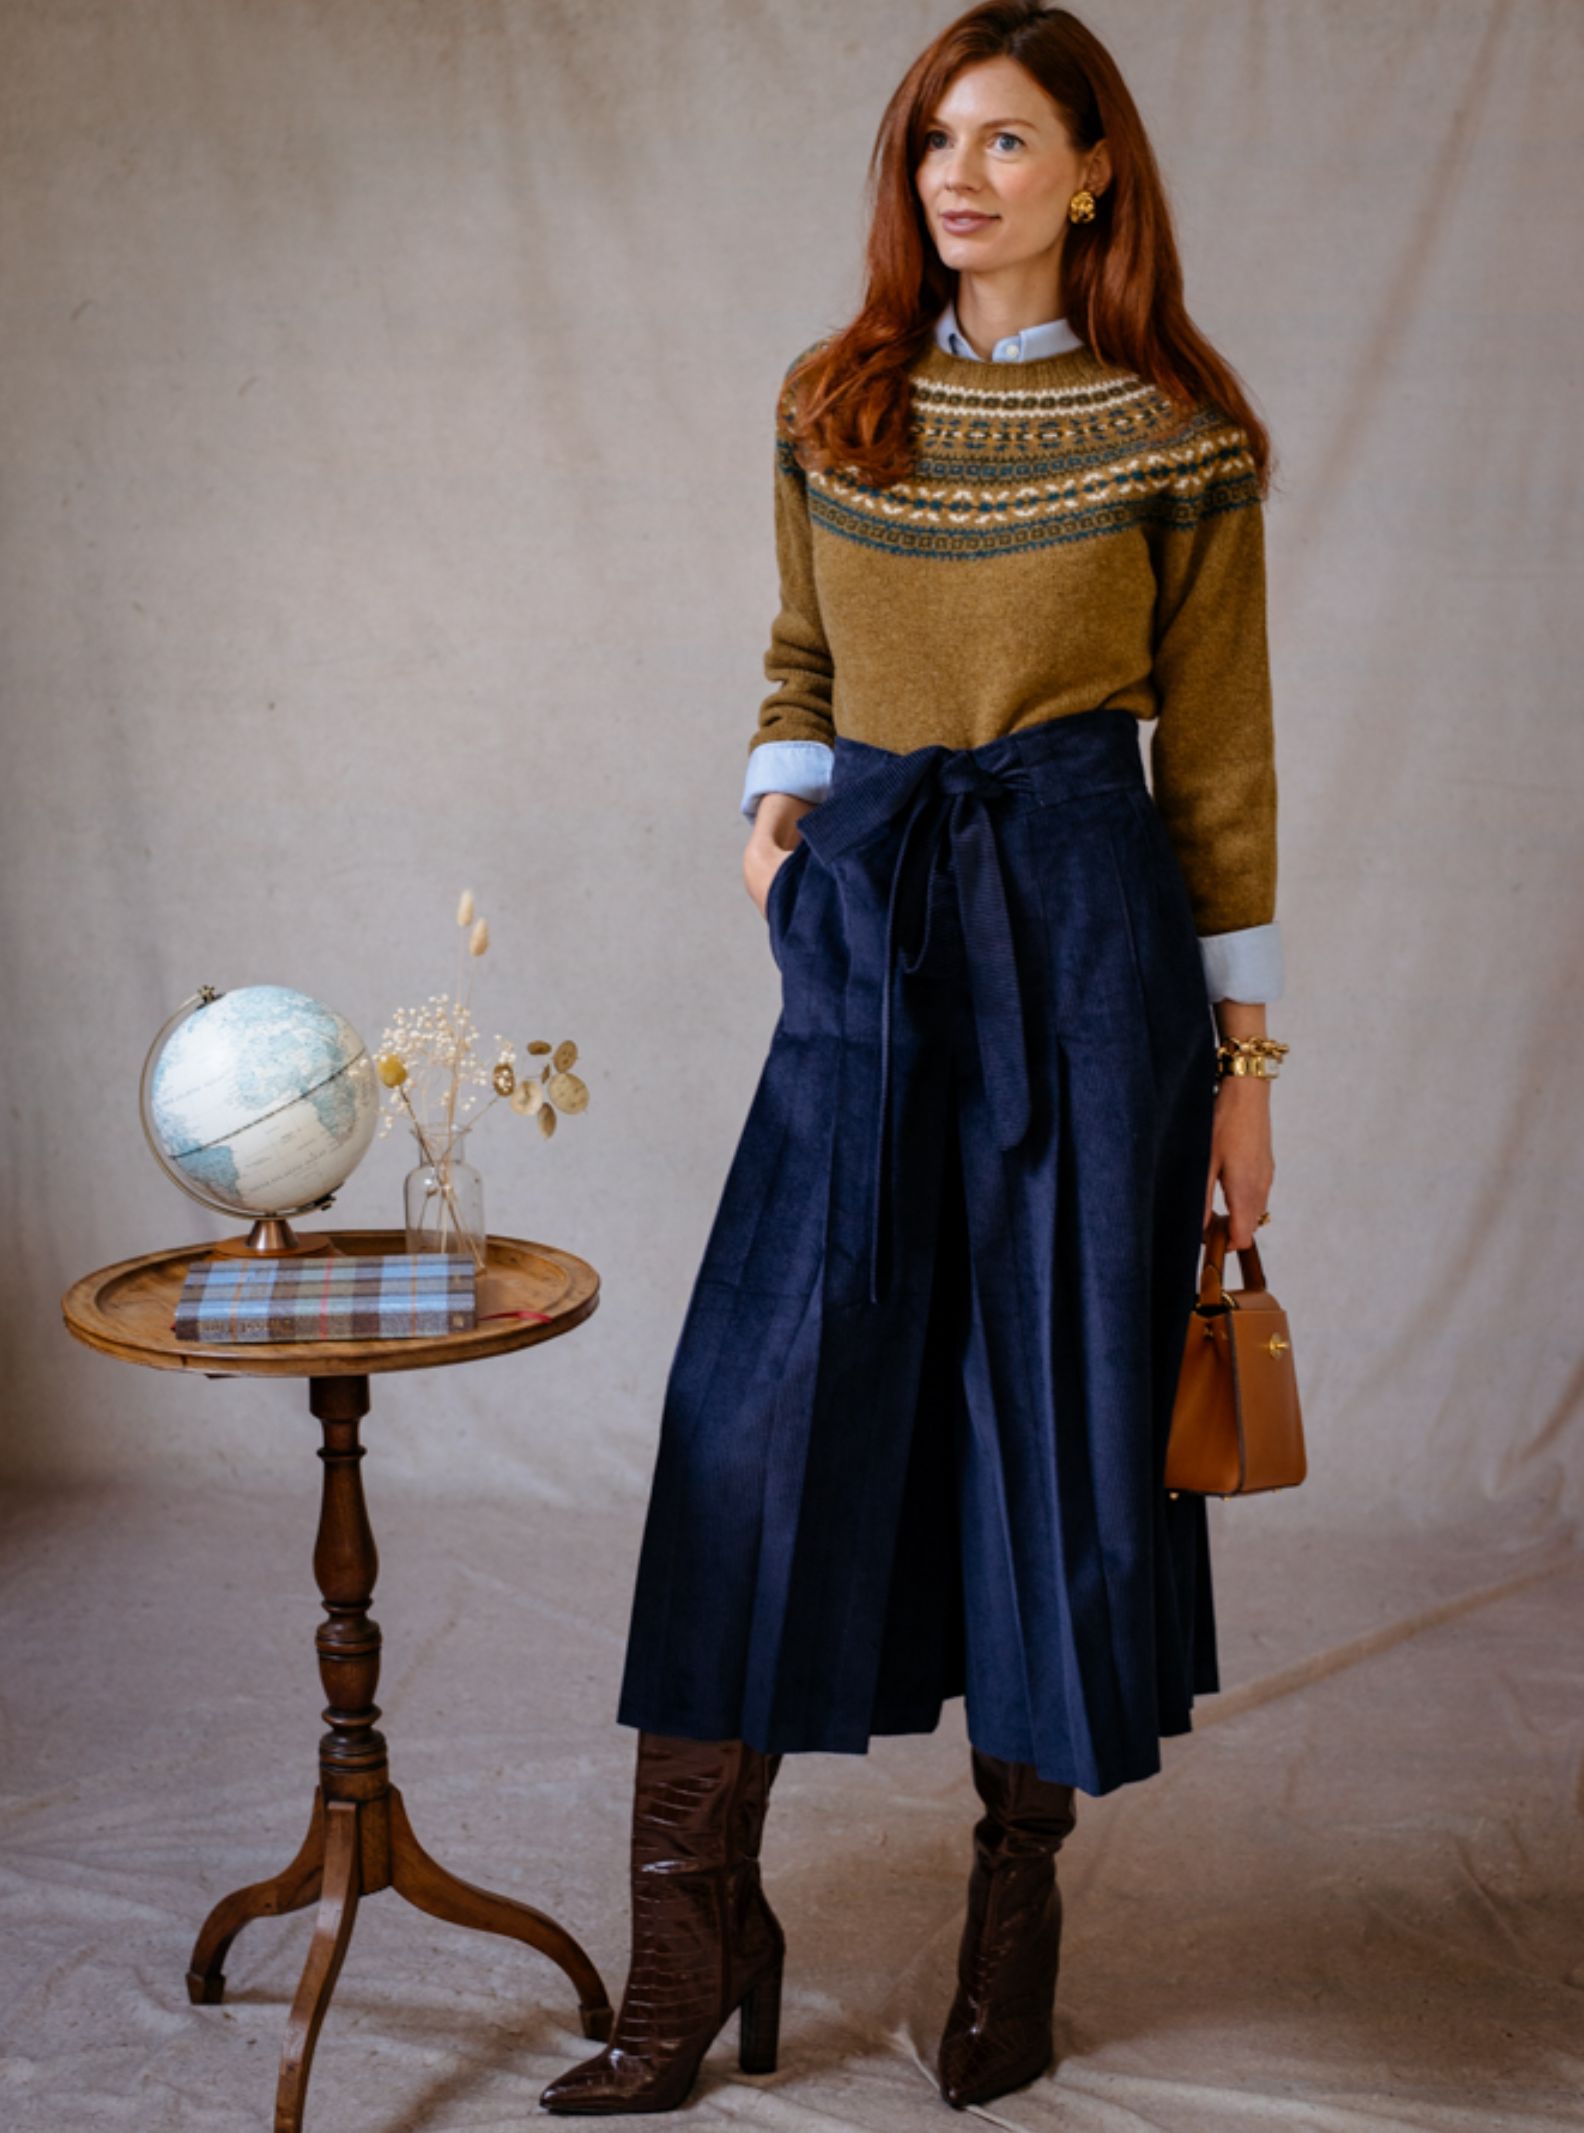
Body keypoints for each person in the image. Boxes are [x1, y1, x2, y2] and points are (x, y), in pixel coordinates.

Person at [541, 0, 1289, 2114]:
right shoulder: (834, 399)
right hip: (867, 913)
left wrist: (1245, 1069)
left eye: (1004, 139)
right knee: (757, 1408)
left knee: (1046, 1422)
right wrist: (772, 838)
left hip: (1083, 934)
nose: (956, 175)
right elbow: (797, 649)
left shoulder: (1175, 432)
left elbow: (1216, 768)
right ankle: (687, 1936)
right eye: (930, 141)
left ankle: (1014, 1908)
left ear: (1091, 174)